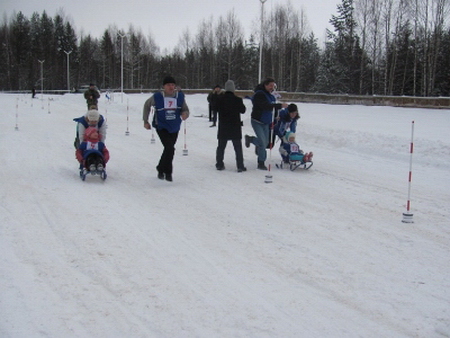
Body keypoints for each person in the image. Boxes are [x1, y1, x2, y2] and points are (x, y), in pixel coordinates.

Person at [142, 76, 190, 182]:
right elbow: (147, 105)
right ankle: (168, 172)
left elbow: (185, 109)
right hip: (161, 126)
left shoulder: (179, 96)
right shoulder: (158, 96)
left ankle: (160, 168)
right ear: (164, 86)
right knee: (170, 148)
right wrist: (145, 121)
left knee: (169, 149)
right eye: (168, 85)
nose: (171, 87)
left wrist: (185, 114)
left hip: (174, 127)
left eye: (173, 85)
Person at [245, 77, 287, 170]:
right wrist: (280, 105)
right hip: (257, 121)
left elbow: (273, 108)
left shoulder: (271, 95)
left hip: (267, 122)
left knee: (266, 142)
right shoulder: (260, 94)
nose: (272, 87)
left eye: (273, 85)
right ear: (265, 85)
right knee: (263, 143)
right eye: (270, 85)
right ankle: (261, 162)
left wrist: (276, 117)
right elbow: (266, 106)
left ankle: (251, 139)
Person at [215, 80, 247, 172]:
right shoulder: (238, 100)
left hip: (223, 126)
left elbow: (214, 108)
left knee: (221, 146)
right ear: (233, 89)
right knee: (237, 147)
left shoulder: (220, 99)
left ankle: (219, 164)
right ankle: (240, 166)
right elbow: (243, 110)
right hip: (235, 126)